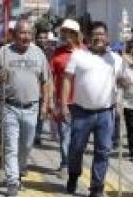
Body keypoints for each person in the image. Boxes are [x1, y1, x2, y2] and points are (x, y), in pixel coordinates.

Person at [62, 21, 124, 197]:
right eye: (95, 34)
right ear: (89, 37)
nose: (99, 37)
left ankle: (97, 188)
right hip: (81, 111)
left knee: (103, 151)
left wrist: (125, 83)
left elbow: (122, 82)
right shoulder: (78, 55)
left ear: (107, 37)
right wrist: (64, 104)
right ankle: (73, 175)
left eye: (102, 34)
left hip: (106, 112)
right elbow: (67, 80)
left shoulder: (116, 59)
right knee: (76, 148)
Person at [0, 19, 52, 196]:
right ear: (14, 35)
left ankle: (21, 168)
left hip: (32, 107)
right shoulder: (3, 52)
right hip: (10, 106)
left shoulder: (38, 53)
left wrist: (46, 103)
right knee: (10, 146)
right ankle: (12, 181)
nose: (25, 37)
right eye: (22, 33)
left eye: (28, 33)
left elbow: (46, 81)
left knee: (26, 145)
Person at [50, 19, 82, 173]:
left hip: (82, 101)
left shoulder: (86, 52)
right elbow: (51, 76)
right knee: (65, 134)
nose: (67, 35)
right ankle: (65, 163)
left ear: (77, 34)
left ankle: (75, 163)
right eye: (64, 32)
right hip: (63, 101)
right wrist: (52, 100)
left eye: (70, 32)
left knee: (78, 137)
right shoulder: (58, 52)